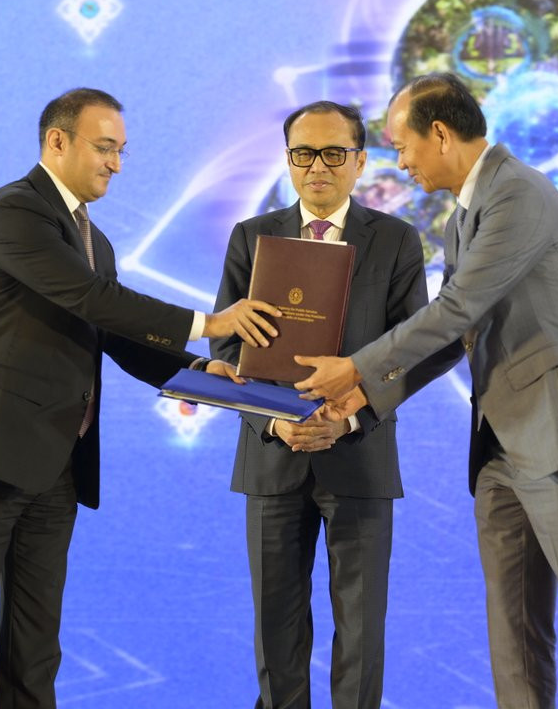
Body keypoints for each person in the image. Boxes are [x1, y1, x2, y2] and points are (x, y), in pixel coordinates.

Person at [294, 73, 558, 707]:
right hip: (501, 450)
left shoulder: (519, 193)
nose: (400, 161)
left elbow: (455, 309)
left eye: (402, 146)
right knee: (513, 635)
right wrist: (366, 397)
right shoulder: (465, 217)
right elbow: (456, 335)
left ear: (439, 133)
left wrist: (354, 367)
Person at [0, 87, 280, 709]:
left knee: (36, 649)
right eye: (105, 147)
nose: (116, 164)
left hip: (59, 461)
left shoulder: (97, 242)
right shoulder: (14, 211)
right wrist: (211, 323)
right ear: (57, 141)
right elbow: (93, 300)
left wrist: (200, 371)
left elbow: (114, 333)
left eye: (122, 151)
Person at [211, 101, 456, 708]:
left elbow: (415, 351)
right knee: (275, 633)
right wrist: (275, 421)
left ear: (360, 161)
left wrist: (348, 417)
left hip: (360, 457)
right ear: (288, 159)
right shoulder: (251, 237)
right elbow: (225, 348)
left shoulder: (395, 240)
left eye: (333, 153)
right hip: (272, 458)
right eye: (303, 154)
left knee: (361, 634)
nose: (317, 166)